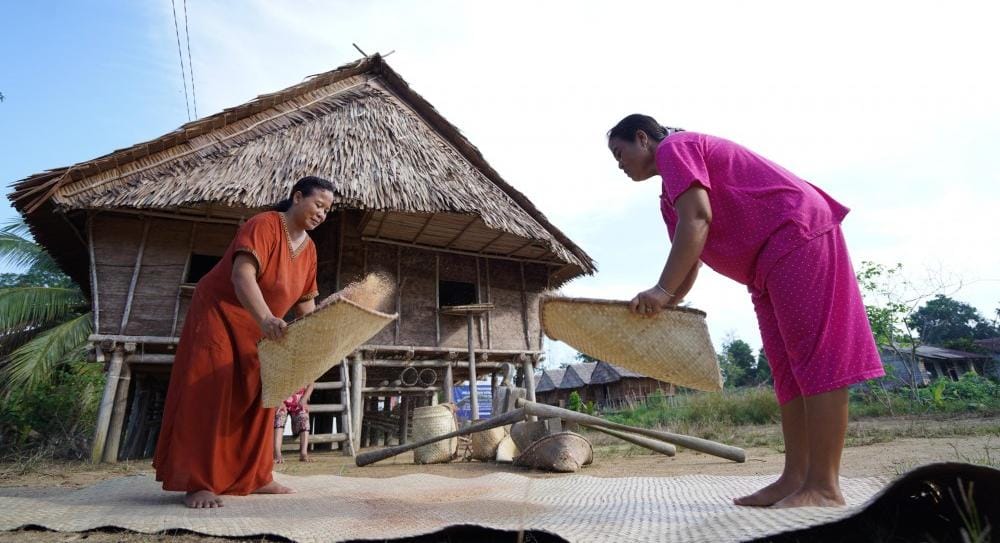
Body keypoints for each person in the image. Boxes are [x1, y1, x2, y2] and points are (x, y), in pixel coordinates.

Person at [607, 115, 884, 508]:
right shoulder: (669, 196)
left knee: (813, 358)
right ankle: (794, 478)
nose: (619, 164)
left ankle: (823, 485)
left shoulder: (676, 148)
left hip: (795, 233)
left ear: (642, 139)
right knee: (787, 370)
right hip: (766, 265)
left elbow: (699, 219)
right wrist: (666, 302)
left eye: (619, 153)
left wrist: (662, 290)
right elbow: (692, 258)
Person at [153, 176, 335, 508]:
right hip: (220, 312)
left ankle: (256, 476)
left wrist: (315, 343)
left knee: (261, 394)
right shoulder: (264, 224)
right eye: (318, 205)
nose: (322, 214)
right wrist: (265, 318)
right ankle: (199, 482)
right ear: (297, 197)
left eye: (327, 210)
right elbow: (242, 275)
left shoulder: (309, 250)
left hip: (265, 327)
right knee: (213, 390)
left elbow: (306, 303)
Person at [274, 383, 315, 463]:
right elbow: (274, 383)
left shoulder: (305, 370)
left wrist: (304, 399)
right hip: (282, 400)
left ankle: (303, 452)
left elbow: (311, 383)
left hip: (299, 400)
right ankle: (277, 452)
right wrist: (278, 401)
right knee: (280, 415)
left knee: (304, 415)